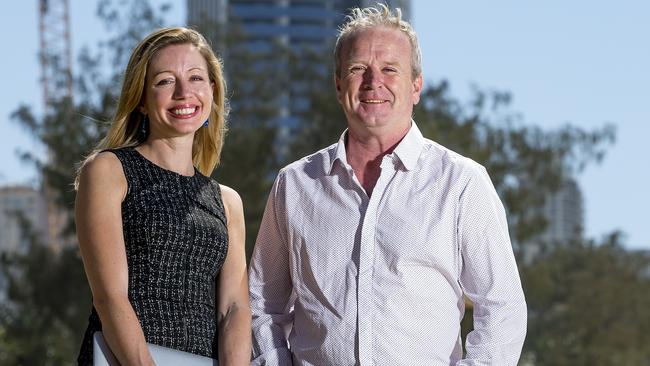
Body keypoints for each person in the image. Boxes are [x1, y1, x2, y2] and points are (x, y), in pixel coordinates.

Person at [249, 5, 527, 366]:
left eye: (389, 69)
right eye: (357, 69)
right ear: (338, 85)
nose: (372, 81)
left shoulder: (461, 183)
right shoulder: (295, 185)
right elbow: (263, 302)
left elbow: (501, 308)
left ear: (416, 86)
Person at [75, 27, 250, 365]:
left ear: (212, 91)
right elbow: (110, 297)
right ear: (141, 98)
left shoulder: (227, 202)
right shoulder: (109, 171)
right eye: (165, 81)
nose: (184, 92)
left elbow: (234, 309)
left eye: (196, 78)